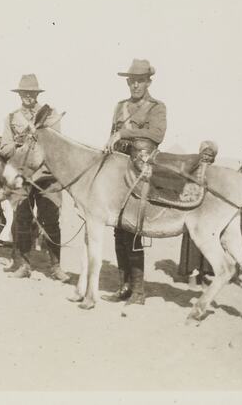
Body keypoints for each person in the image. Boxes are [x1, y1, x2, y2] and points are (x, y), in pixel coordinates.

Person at [102, 59, 167, 306]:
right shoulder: (120, 107)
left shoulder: (156, 107)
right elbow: (111, 134)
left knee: (134, 226)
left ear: (148, 82)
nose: (135, 85)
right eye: (132, 81)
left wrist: (124, 134)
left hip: (142, 169)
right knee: (119, 230)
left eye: (140, 80)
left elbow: (157, 135)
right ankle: (124, 286)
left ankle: (139, 291)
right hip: (118, 170)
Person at [0, 74, 70, 282]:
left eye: (32, 93)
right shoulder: (11, 119)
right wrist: (19, 144)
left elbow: (56, 145)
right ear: (19, 95)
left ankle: (56, 267)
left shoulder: (50, 115)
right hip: (23, 177)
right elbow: (4, 149)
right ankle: (24, 264)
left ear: (37, 94)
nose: (28, 96)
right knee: (22, 220)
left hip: (47, 176)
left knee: (51, 221)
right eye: (24, 93)